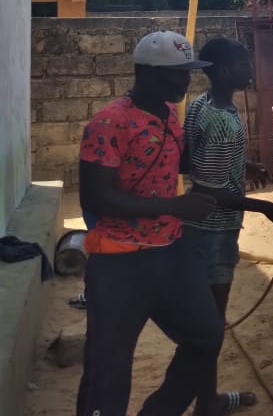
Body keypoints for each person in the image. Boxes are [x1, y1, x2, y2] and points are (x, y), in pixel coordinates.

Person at [77, 31, 223, 416]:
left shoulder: (168, 114)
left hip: (170, 253)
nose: (185, 81)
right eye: (177, 74)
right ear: (146, 72)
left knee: (206, 337)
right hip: (119, 260)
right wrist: (175, 206)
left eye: (188, 73)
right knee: (107, 371)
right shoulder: (109, 123)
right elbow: (98, 198)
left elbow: (170, 163)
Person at [183, 37, 273, 413]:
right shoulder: (220, 118)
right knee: (211, 322)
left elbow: (191, 160)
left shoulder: (205, 106)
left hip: (203, 228)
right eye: (243, 65)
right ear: (222, 72)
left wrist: (244, 166)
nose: (250, 71)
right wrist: (267, 207)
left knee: (206, 319)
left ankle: (204, 395)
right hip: (214, 230)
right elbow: (209, 189)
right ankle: (206, 401)